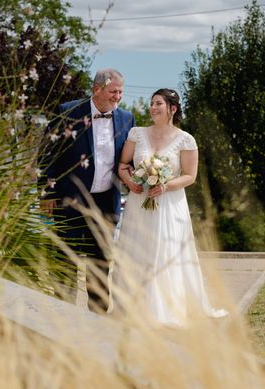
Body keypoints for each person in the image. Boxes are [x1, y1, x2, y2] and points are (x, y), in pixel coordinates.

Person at [113, 88, 227, 328]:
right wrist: (130, 181)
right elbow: (123, 164)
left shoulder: (185, 139)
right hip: (138, 203)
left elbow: (190, 176)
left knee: (165, 252)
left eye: (158, 104)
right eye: (152, 103)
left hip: (169, 204)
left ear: (172, 109)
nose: (153, 108)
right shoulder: (137, 134)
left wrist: (165, 186)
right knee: (137, 250)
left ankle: (164, 307)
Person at [37, 68, 135, 313]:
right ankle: (63, 315)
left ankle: (99, 318)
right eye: (113, 92)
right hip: (69, 200)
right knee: (66, 259)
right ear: (97, 89)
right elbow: (47, 155)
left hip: (105, 203)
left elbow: (128, 160)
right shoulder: (68, 112)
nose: (117, 97)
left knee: (101, 262)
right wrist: (47, 193)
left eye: (121, 92)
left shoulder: (126, 118)